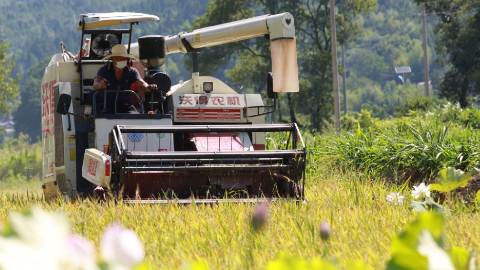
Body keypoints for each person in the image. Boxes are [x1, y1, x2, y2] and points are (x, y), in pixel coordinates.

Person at [92, 44, 157, 114]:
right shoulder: (104, 70)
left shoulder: (132, 71)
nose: (121, 60)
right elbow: (95, 84)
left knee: (136, 118)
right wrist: (100, 85)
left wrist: (149, 87)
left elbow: (142, 84)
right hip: (107, 107)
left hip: (127, 106)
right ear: (113, 59)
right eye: (118, 58)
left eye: (124, 58)